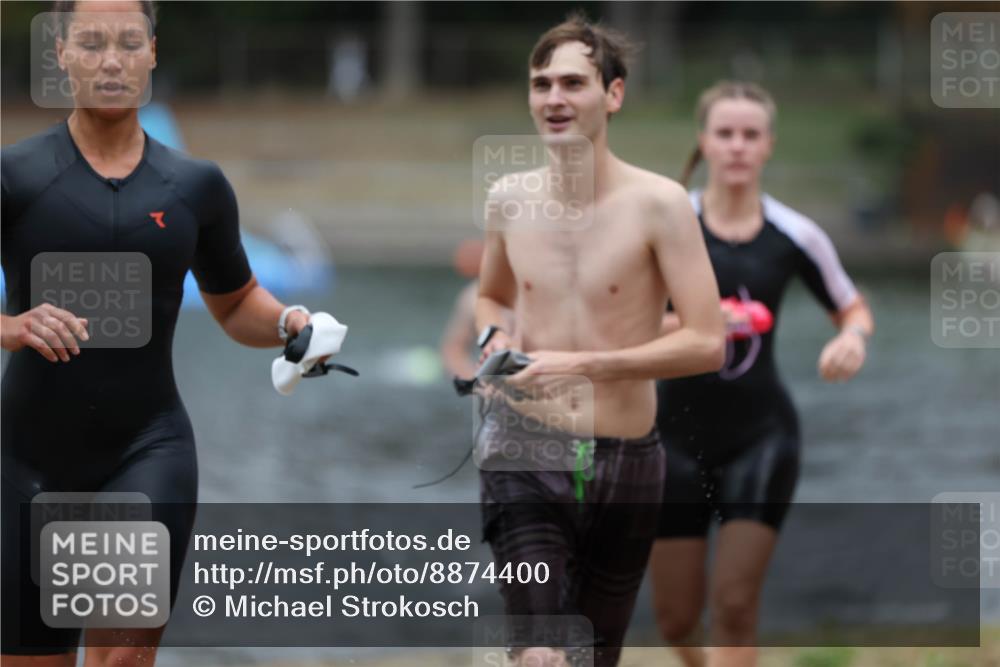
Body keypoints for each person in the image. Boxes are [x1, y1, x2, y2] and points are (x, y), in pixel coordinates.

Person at [0, 2, 328, 664]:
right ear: (61, 54)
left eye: (129, 43)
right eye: (91, 43)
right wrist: (10, 326)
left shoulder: (195, 187)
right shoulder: (15, 175)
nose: (112, 60)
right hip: (27, 460)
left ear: (152, 52)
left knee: (121, 656)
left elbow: (236, 304)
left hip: (146, 449)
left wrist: (294, 322)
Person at [475, 14, 725, 667]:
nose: (553, 98)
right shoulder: (507, 199)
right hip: (522, 444)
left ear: (613, 94)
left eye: (572, 83)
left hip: (628, 459)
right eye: (540, 84)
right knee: (539, 651)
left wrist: (585, 363)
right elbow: (493, 296)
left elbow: (707, 342)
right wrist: (493, 336)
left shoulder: (662, 204)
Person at [648, 81, 875, 667]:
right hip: (671, 441)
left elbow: (852, 306)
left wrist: (851, 338)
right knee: (675, 620)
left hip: (761, 437)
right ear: (704, 141)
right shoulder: (670, 222)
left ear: (769, 145)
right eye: (725, 134)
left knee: (734, 603)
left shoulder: (796, 235)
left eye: (751, 135)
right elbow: (623, 327)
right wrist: (699, 324)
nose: (738, 146)